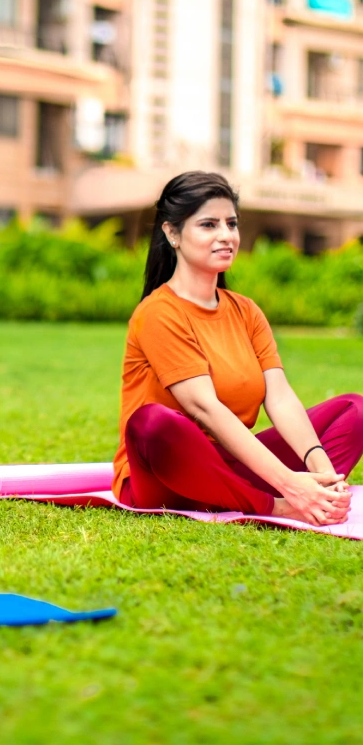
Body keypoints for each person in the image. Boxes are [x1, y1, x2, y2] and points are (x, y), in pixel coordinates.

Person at [115, 171, 359, 526]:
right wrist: (289, 486)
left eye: (231, 223)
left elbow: (280, 396)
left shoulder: (246, 311)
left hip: (232, 465)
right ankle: (275, 505)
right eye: (208, 225)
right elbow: (205, 408)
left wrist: (323, 471)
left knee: (354, 409)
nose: (226, 236)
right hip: (166, 474)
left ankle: (311, 491)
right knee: (153, 424)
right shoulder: (158, 313)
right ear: (172, 233)